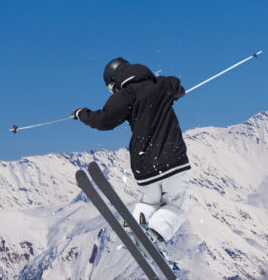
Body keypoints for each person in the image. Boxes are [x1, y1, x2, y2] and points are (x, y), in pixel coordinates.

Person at [72, 58, 191, 254]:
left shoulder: (125, 96)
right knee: (177, 204)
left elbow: (104, 121)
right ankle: (154, 235)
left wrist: (81, 113)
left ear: (115, 81)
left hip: (144, 166)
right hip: (173, 160)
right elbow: (178, 86)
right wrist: (171, 96)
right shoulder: (161, 84)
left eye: (111, 88)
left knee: (149, 201)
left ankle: (136, 227)